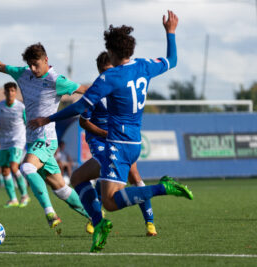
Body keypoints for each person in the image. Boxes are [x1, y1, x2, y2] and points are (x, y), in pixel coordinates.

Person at [29, 11, 193, 252]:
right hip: (133, 143)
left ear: (112, 53)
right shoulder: (145, 66)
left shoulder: (109, 77)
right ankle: (99, 224)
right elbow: (173, 59)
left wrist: (48, 118)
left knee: (110, 201)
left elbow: (79, 106)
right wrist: (170, 32)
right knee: (76, 178)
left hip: (117, 144)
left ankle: (162, 187)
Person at [0, 42, 93, 233]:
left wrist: (109, 95)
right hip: (33, 140)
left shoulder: (56, 80)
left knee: (26, 167)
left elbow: (86, 90)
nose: (33, 69)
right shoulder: (24, 73)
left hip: (47, 139)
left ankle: (50, 213)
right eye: (30, 65)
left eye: (36, 65)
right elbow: (0, 67)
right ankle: (96, 217)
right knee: (60, 188)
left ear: (46, 60)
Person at [76, 51, 157, 236]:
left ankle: (150, 222)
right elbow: (83, 122)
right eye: (104, 71)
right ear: (99, 72)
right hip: (100, 141)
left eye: (110, 70)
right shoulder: (96, 92)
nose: (108, 74)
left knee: (135, 177)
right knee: (104, 172)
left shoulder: (122, 87)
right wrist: (104, 132)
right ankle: (95, 217)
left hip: (121, 139)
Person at [0, 82, 30, 208]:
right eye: (8, 91)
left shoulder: (21, 107)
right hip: (4, 141)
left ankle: (24, 195)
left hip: (18, 140)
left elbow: (27, 122)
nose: (10, 93)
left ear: (15, 92)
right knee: (5, 170)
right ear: (4, 92)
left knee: (14, 167)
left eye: (13, 90)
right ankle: (13, 199)